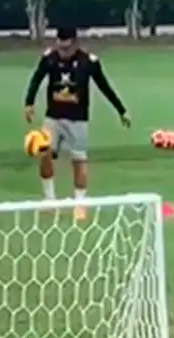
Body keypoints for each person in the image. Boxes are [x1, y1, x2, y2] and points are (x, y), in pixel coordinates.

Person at [23, 27, 131, 220]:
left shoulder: (88, 62)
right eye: (59, 46)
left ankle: (80, 204)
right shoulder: (49, 58)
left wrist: (121, 110)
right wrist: (29, 103)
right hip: (53, 117)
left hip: (78, 120)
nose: (62, 51)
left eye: (66, 47)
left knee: (79, 161)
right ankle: (49, 200)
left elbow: (104, 86)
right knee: (44, 154)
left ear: (74, 42)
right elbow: (36, 78)